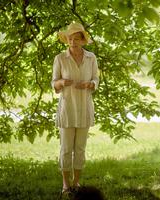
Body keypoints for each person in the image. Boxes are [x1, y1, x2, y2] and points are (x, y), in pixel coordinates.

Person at [51, 22, 99, 193]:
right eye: (70, 39)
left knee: (80, 148)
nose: (73, 42)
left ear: (82, 40)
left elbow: (96, 80)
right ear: (67, 40)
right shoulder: (60, 58)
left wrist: (90, 84)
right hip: (67, 109)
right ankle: (65, 183)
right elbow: (54, 83)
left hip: (85, 108)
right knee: (65, 148)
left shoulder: (91, 58)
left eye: (77, 39)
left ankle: (76, 182)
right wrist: (61, 82)